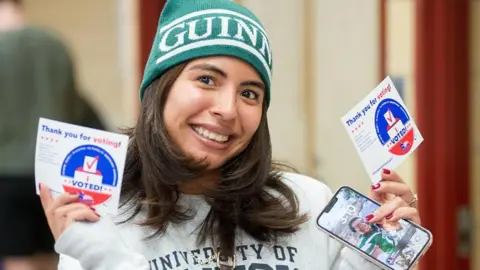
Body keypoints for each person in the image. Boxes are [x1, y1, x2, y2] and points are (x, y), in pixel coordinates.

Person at [38, 0, 423, 269]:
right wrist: (102, 258)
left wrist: (379, 252)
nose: (227, 109)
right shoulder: (101, 216)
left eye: (249, 93)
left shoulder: (306, 202)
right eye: (206, 79)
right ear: (161, 88)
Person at [0, 0, 105, 269]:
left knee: (18, 258)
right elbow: (78, 107)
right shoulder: (55, 45)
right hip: (53, 173)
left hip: (7, 174)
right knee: (55, 253)